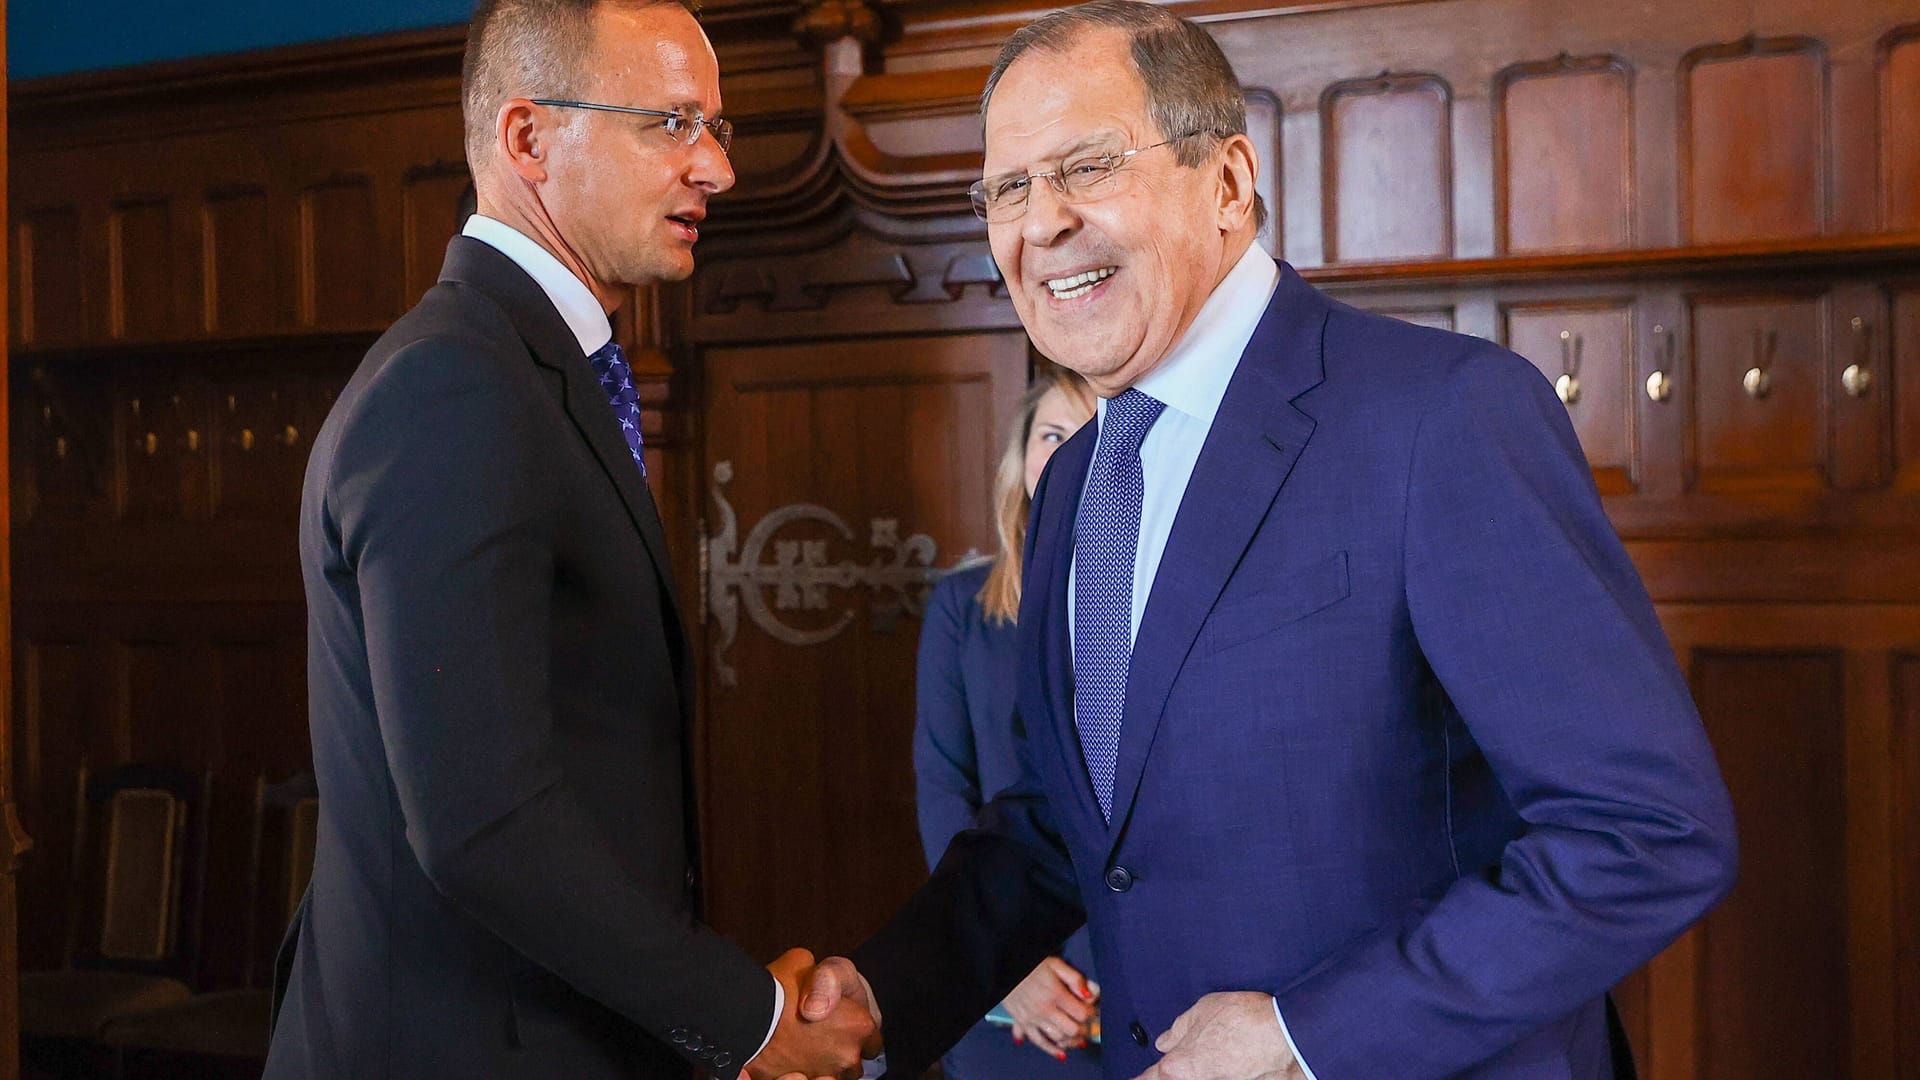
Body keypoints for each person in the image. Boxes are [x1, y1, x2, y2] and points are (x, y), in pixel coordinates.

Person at [805, 4, 1739, 1078]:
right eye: (1007, 188)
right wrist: (882, 994)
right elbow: (1080, 828)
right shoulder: (1071, 482)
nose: (1041, 221)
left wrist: (1308, 1040)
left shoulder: (1441, 418)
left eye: (1088, 166)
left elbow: (1645, 835)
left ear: (1230, 182)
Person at [266, 1, 874, 1077]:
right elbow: (481, 823)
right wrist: (749, 1022)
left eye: (717, 129)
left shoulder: (526, 367)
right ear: (529, 140)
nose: (718, 171)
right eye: (673, 124)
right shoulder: (454, 385)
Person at [915, 366, 1102, 1078]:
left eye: (1089, 432)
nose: (1068, 454)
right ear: (1021, 459)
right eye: (1052, 434)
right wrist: (1002, 963)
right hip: (1005, 961)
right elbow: (943, 790)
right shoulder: (963, 606)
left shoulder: (1167, 598)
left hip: (1143, 969)